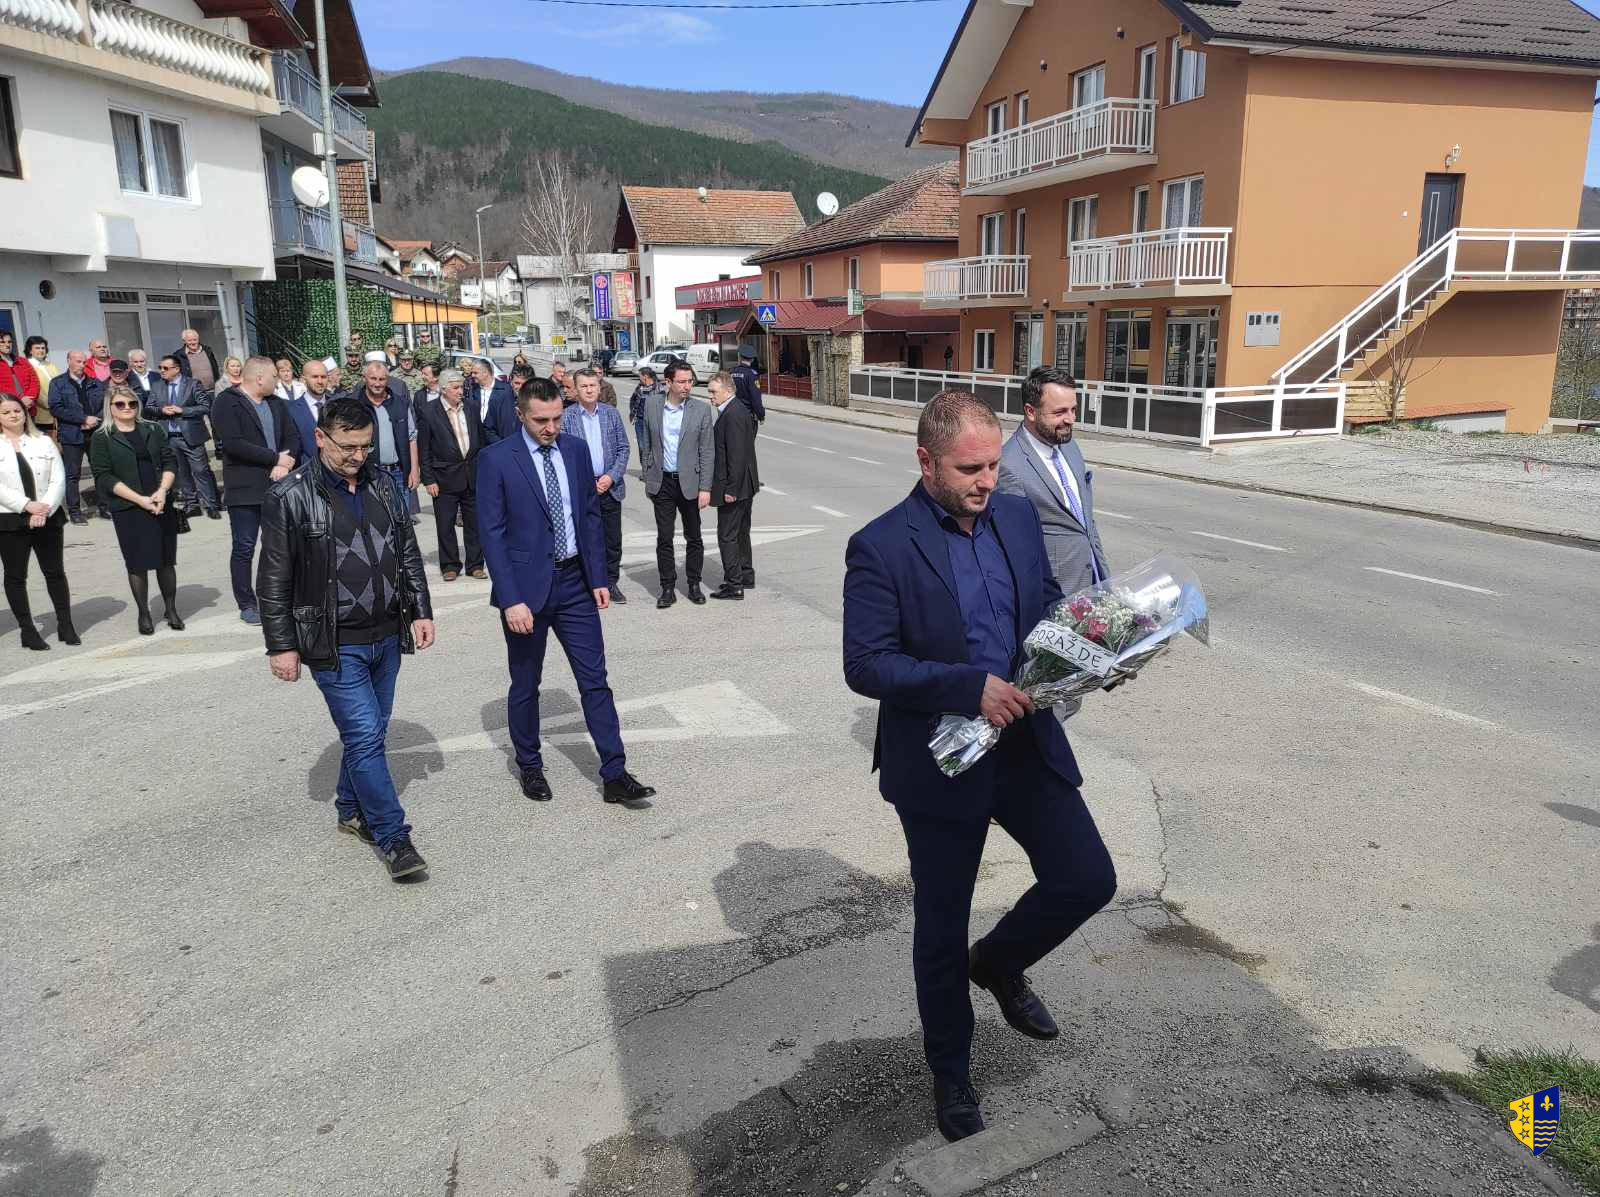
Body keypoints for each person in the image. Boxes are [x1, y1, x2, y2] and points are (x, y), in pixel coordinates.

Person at [841, 390, 1117, 1144]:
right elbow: (866, 664)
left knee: (1087, 878)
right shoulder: (881, 545)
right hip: (941, 761)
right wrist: (969, 688)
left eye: (994, 464)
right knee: (941, 924)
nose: (987, 480)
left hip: (1024, 740)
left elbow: (1049, 607)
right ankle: (952, 1071)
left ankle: (996, 963)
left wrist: (1094, 651)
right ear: (925, 461)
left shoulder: (1017, 518)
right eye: (970, 468)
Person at [257, 395, 435, 882]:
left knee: (369, 733)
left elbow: (407, 551)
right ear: (320, 438)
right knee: (364, 735)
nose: (358, 456)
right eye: (347, 447)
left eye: (365, 446)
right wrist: (281, 645)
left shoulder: (384, 483)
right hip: (334, 643)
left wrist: (421, 610)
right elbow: (273, 578)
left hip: (388, 633)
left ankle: (350, 809)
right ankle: (394, 837)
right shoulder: (289, 496)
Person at [477, 377, 656, 807]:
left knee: (595, 681)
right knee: (526, 683)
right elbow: (492, 535)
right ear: (521, 415)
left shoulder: (575, 451)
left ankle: (615, 773)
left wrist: (599, 577)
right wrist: (510, 599)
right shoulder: (496, 459)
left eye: (557, 418)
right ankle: (530, 765)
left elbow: (589, 517)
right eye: (541, 420)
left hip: (575, 583)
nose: (551, 428)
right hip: (526, 592)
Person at [996, 366, 1108, 595]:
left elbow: (1086, 522)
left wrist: (1106, 580)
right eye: (1060, 412)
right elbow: (1015, 549)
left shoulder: (1070, 446)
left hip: (1094, 585)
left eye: (1073, 410)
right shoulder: (1009, 465)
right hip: (1056, 595)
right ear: (1030, 411)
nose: (1071, 420)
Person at [211, 356, 302, 624]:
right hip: (245, 490)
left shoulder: (276, 403)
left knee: (278, 547)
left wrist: (285, 463)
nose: (278, 380)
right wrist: (274, 459)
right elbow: (234, 444)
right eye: (274, 376)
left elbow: (293, 436)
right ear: (259, 378)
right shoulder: (227, 402)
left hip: (278, 485)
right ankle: (247, 603)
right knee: (244, 547)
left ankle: (276, 598)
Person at [88, 384, 184, 635]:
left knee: (166, 560)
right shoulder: (102, 437)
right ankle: (144, 613)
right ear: (110, 407)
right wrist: (140, 500)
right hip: (128, 507)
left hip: (160, 501)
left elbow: (169, 461)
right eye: (120, 404)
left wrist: (162, 491)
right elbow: (103, 476)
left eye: (132, 403)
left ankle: (171, 608)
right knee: (137, 564)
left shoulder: (153, 429)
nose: (127, 408)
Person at [0, 393, 75, 650]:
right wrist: (26, 505)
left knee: (54, 572)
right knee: (15, 576)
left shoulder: (43, 441)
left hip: (48, 517)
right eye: (6, 412)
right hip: (10, 520)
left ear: (25, 413)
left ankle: (65, 624)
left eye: (17, 410)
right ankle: (27, 630)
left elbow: (58, 478)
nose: (13, 415)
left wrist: (43, 509)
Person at [639, 361, 713, 608]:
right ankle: (667, 587)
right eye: (681, 381)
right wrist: (648, 472)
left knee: (694, 536)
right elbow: (646, 442)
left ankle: (694, 584)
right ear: (668, 382)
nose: (687, 386)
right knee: (664, 537)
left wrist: (705, 488)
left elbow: (707, 451)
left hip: (690, 482)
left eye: (690, 381)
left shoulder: (700, 410)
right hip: (662, 482)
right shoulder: (651, 405)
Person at [416, 368, 485, 581]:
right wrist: (428, 479)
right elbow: (424, 449)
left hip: (472, 475)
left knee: (474, 524)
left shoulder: (471, 407)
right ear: (444, 389)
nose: (460, 391)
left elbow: (481, 440)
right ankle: (450, 565)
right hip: (444, 477)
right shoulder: (429, 412)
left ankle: (475, 565)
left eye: (461, 387)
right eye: (455, 388)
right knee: (445, 525)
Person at [568, 368, 630, 603]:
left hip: (610, 487)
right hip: (583, 489)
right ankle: (590, 583)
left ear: (599, 387)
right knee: (586, 539)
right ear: (576, 389)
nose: (589, 390)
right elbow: (564, 456)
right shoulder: (567, 417)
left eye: (592, 385)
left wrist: (611, 476)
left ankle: (610, 582)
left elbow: (623, 448)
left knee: (612, 541)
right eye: (583, 386)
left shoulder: (611, 414)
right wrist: (588, 482)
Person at [144, 354, 221, 520]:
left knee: (200, 471)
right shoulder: (157, 386)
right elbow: (149, 407)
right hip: (169, 436)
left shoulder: (192, 384)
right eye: (160, 368)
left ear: (177, 369)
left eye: (165, 368)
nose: (162, 371)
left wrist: (183, 410)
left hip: (191, 435)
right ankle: (191, 504)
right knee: (181, 471)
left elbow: (205, 406)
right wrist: (161, 410)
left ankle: (211, 505)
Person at [705, 370, 759, 600]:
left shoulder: (733, 413)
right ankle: (745, 575)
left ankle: (734, 584)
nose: (710, 396)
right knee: (741, 532)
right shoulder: (735, 409)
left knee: (727, 535)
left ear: (728, 391)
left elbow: (736, 456)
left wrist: (731, 490)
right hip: (745, 485)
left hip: (735, 487)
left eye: (713, 391)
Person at [46, 350, 103, 524]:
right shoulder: (58, 383)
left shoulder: (95, 382)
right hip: (72, 434)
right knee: (72, 475)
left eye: (84, 362)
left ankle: (104, 507)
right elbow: (56, 408)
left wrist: (94, 420)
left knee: (100, 471)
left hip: (95, 432)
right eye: (78, 361)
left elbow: (103, 405)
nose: (82, 365)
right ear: (69, 361)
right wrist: (82, 419)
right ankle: (75, 511)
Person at [356, 360, 417, 508]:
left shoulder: (401, 404)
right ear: (365, 378)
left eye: (382, 379)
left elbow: (412, 438)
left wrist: (414, 470)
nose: (377, 384)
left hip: (398, 473)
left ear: (387, 380)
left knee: (401, 519)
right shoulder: (355, 403)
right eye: (373, 378)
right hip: (368, 474)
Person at [287, 357, 330, 456]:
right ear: (303, 379)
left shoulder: (337, 404)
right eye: (315, 377)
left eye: (323, 377)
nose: (320, 381)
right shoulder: (291, 410)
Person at [474, 360, 519, 444]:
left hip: (499, 439)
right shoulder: (472, 390)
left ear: (485, 373)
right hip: (478, 438)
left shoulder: (506, 390)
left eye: (475, 373)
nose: (472, 375)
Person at [23, 337, 57, 441]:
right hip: (41, 414)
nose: (41, 350)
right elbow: (34, 389)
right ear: (30, 350)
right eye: (37, 348)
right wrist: (49, 404)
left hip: (57, 411)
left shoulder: (50, 365)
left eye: (43, 348)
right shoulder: (27, 365)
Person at [0, 330, 39, 417]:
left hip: (28, 407)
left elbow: (34, 381)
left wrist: (30, 397)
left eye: (9, 342)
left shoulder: (22, 361)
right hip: (7, 411)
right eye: (2, 342)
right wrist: (19, 400)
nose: (7, 345)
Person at [731, 344, 766, 426]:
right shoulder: (751, 375)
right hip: (747, 414)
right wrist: (761, 415)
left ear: (740, 357)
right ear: (752, 359)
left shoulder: (732, 372)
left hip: (732, 412)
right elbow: (755, 398)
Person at [630, 365, 661, 451]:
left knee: (652, 447)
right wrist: (632, 414)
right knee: (641, 446)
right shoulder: (639, 387)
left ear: (645, 376)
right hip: (639, 421)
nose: (639, 378)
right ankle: (643, 460)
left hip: (652, 421)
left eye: (640, 376)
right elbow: (633, 400)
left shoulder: (658, 389)